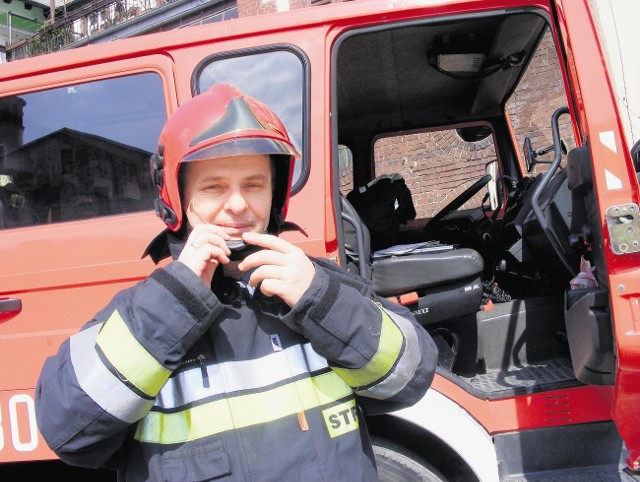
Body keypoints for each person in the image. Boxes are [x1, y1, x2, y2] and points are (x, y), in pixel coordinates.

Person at [35, 83, 438, 481]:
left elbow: (410, 377)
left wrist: (320, 299)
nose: (238, 204)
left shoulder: (313, 284)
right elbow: (69, 431)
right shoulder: (147, 311)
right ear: (177, 197)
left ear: (275, 193)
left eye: (253, 185)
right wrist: (177, 299)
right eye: (213, 187)